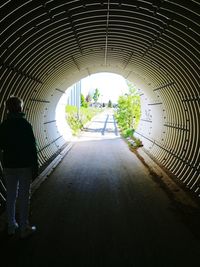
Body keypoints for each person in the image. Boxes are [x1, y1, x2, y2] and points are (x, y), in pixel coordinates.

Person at [0, 96, 38, 238]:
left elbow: (1, 145)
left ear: (8, 109)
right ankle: (23, 228)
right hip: (24, 166)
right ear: (20, 108)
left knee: (10, 196)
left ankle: (11, 226)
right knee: (23, 196)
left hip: (9, 166)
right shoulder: (25, 124)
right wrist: (35, 166)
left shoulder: (4, 125)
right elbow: (32, 148)